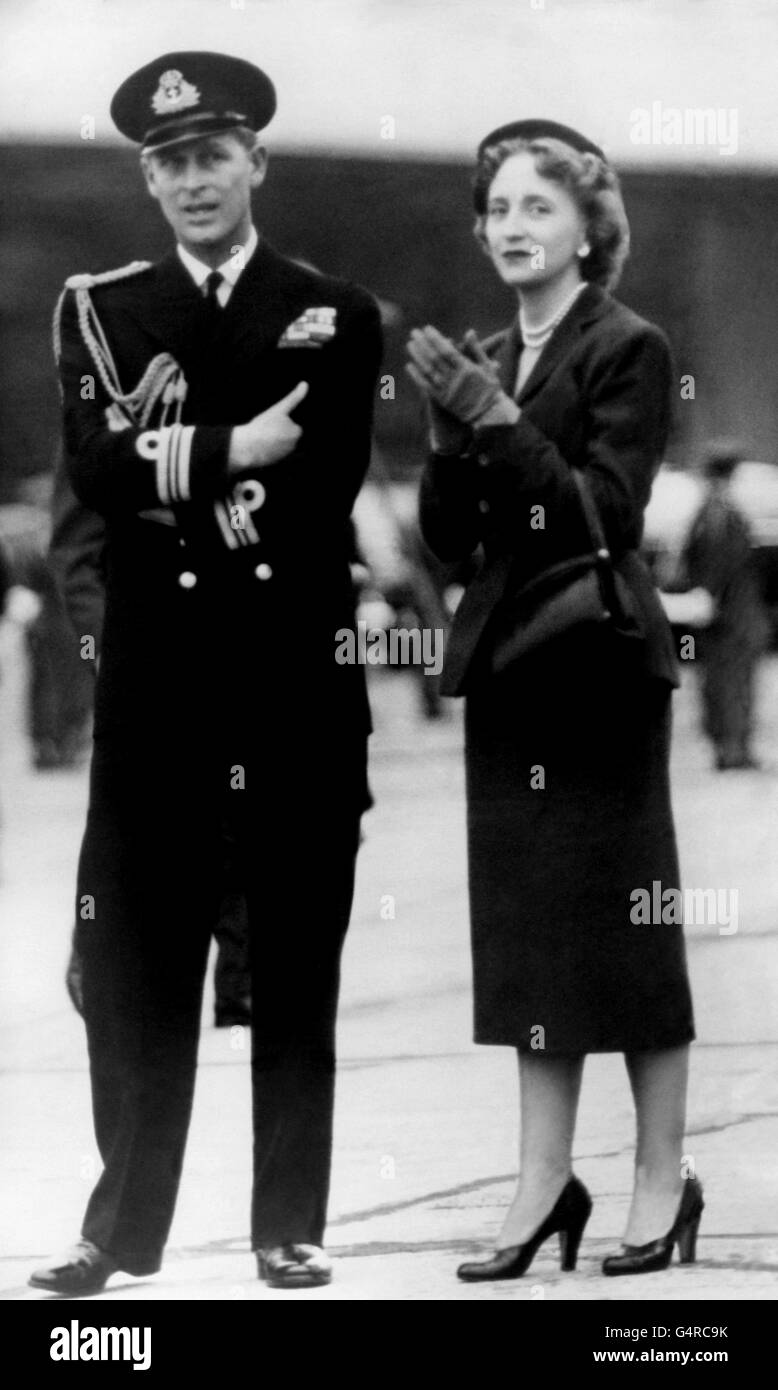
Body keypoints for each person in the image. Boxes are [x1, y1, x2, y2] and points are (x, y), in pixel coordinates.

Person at [30, 50, 382, 1295]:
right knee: (134, 968)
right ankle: (119, 1229)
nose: (192, 180)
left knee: (294, 961)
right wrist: (236, 443)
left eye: (211, 157)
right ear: (148, 177)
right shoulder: (101, 306)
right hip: (158, 692)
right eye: (169, 163)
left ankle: (291, 1223)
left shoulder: (332, 307)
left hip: (291, 683)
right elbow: (95, 469)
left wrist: (165, 463)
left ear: (255, 164)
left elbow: (320, 483)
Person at [407, 119, 699, 1280]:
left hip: (598, 669)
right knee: (528, 942)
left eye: (537, 206)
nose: (511, 227)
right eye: (496, 209)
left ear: (589, 227)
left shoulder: (626, 344)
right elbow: (453, 539)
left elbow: (601, 514)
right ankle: (542, 1183)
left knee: (627, 935)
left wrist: (495, 419)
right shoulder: (491, 352)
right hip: (512, 674)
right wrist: (447, 437)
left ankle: (661, 1177)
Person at [49, 448, 253, 1025]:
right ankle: (100, 962)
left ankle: (241, 982)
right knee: (140, 824)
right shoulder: (107, 418)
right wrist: (115, 659)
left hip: (231, 652)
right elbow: (75, 556)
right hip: (139, 664)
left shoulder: (236, 407)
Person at [679, 443, 769, 770]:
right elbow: (721, 564)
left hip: (724, 616)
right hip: (732, 616)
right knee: (731, 684)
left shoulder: (712, 510)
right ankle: (732, 749)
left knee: (722, 683)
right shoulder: (722, 511)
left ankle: (728, 747)